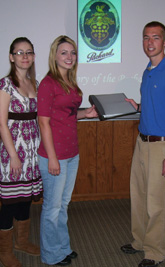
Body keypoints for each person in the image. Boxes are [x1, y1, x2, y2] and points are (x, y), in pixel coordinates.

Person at [121, 21, 165, 267]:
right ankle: (139, 242)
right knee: (139, 196)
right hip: (142, 142)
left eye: (155, 38)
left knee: (157, 202)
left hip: (162, 146)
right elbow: (154, 106)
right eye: (146, 37)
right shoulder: (148, 70)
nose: (150, 42)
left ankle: (156, 252)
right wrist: (136, 106)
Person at [37, 35, 98, 266]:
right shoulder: (48, 83)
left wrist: (86, 114)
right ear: (55, 55)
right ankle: (51, 255)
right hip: (55, 156)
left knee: (63, 204)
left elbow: (67, 115)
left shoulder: (70, 82)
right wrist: (52, 158)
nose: (69, 56)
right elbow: (43, 122)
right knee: (52, 208)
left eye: (72, 52)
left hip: (72, 153)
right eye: (64, 52)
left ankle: (63, 247)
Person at [0, 37, 43, 267]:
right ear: (11, 56)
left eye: (28, 52)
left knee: (25, 198)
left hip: (32, 151)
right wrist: (14, 156)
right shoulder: (5, 84)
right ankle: (5, 251)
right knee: (10, 202)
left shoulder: (34, 83)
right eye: (19, 52)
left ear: (33, 56)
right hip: (13, 151)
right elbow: (1, 123)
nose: (24, 56)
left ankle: (22, 241)